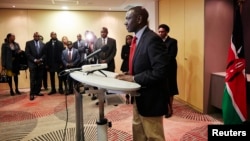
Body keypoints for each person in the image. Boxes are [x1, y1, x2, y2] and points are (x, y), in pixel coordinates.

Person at [115, 6, 169, 141]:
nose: (125, 22)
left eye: (128, 18)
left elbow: (160, 71)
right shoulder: (138, 39)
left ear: (139, 19)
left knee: (153, 137)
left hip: (151, 99)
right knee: (139, 134)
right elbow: (143, 64)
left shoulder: (152, 39)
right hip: (139, 98)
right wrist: (129, 73)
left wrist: (133, 78)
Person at [158, 24, 179, 118]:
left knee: (170, 88)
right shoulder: (157, 41)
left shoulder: (172, 41)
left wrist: (160, 59)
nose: (160, 33)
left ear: (166, 32)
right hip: (160, 68)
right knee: (162, 88)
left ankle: (170, 109)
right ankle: (163, 107)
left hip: (170, 68)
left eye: (162, 31)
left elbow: (172, 55)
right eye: (159, 31)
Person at [25, 32, 46, 100]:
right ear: (33, 36)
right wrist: (34, 60)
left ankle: (37, 92)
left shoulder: (43, 44)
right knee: (33, 79)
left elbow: (45, 54)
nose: (37, 37)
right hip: (32, 64)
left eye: (38, 36)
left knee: (39, 79)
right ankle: (32, 94)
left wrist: (41, 59)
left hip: (40, 64)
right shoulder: (29, 43)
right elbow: (27, 54)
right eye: (35, 36)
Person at [120, 35, 134, 104]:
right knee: (126, 83)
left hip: (133, 65)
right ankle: (127, 96)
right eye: (127, 39)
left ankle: (133, 97)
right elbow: (122, 56)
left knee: (133, 82)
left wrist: (127, 55)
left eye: (130, 39)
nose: (128, 40)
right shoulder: (124, 47)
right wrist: (128, 55)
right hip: (125, 66)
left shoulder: (135, 46)